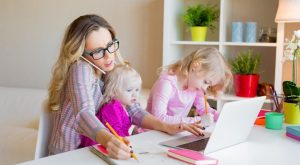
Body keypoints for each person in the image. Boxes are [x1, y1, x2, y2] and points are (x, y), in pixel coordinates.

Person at [47, 14, 203, 159]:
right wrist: (108, 141)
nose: (109, 56)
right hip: (68, 154)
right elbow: (83, 113)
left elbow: (133, 109)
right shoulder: (80, 68)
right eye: (98, 52)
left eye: (110, 46)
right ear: (80, 54)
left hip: (92, 149)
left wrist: (165, 126)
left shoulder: (111, 67)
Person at [146, 47, 232, 127]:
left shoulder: (195, 88)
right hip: (149, 133)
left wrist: (222, 116)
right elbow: (159, 118)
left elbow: (204, 109)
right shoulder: (166, 84)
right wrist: (197, 121)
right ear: (195, 66)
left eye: (209, 86)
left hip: (171, 134)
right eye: (206, 82)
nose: (205, 89)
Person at [80, 63, 143, 147]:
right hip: (96, 146)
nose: (134, 95)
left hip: (111, 144)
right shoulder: (112, 107)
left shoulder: (124, 106)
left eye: (137, 90)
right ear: (113, 91)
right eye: (129, 90)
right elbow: (117, 134)